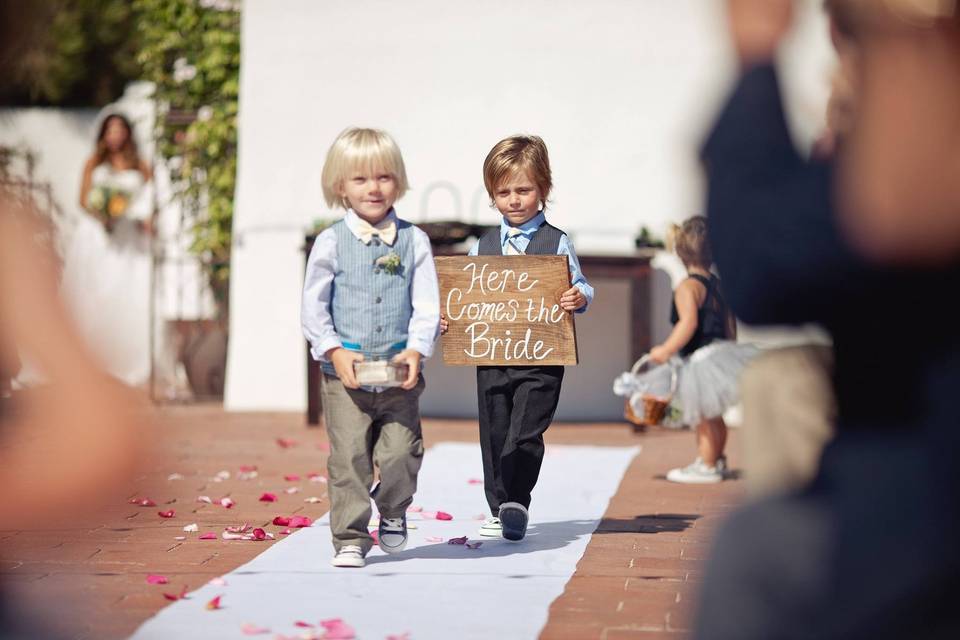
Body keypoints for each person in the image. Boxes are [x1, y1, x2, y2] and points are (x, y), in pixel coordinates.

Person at [691, 1, 960, 637]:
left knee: (754, 556)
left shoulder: (913, 161)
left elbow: (764, 265)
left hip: (911, 517)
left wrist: (758, 54)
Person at [442, 134, 593, 542]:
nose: (514, 200)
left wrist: (576, 296)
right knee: (493, 432)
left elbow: (580, 285)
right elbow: (465, 293)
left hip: (542, 357)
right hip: (493, 355)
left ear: (543, 188)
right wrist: (449, 319)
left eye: (523, 189)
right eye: (503, 192)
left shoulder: (557, 241)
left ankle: (517, 501)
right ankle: (497, 506)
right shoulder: (484, 245)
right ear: (492, 196)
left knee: (525, 431)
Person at [301, 127, 440, 568]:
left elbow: (427, 303)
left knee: (402, 452)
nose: (373, 188)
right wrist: (333, 350)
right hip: (346, 376)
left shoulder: (414, 241)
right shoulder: (329, 242)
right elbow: (313, 308)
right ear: (340, 186)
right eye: (360, 179)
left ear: (397, 181)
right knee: (349, 458)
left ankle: (394, 508)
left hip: (399, 373)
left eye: (383, 177)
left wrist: (416, 349)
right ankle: (350, 537)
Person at [646, 216, 756, 484]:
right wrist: (731, 351)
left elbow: (688, 323)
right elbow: (730, 323)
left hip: (702, 358)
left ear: (680, 253)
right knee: (715, 415)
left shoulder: (687, 286)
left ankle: (706, 465)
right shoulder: (720, 286)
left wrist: (665, 350)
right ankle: (717, 459)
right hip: (721, 352)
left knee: (703, 417)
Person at [63, 112, 156, 386]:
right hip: (98, 235)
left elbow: (150, 195)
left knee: (126, 290)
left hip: (127, 236)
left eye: (120, 130)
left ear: (127, 133)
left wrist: (140, 217)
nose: (115, 135)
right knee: (94, 292)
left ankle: (127, 359)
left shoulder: (140, 164)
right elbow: (82, 198)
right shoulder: (94, 162)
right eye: (110, 130)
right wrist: (103, 215)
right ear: (104, 134)